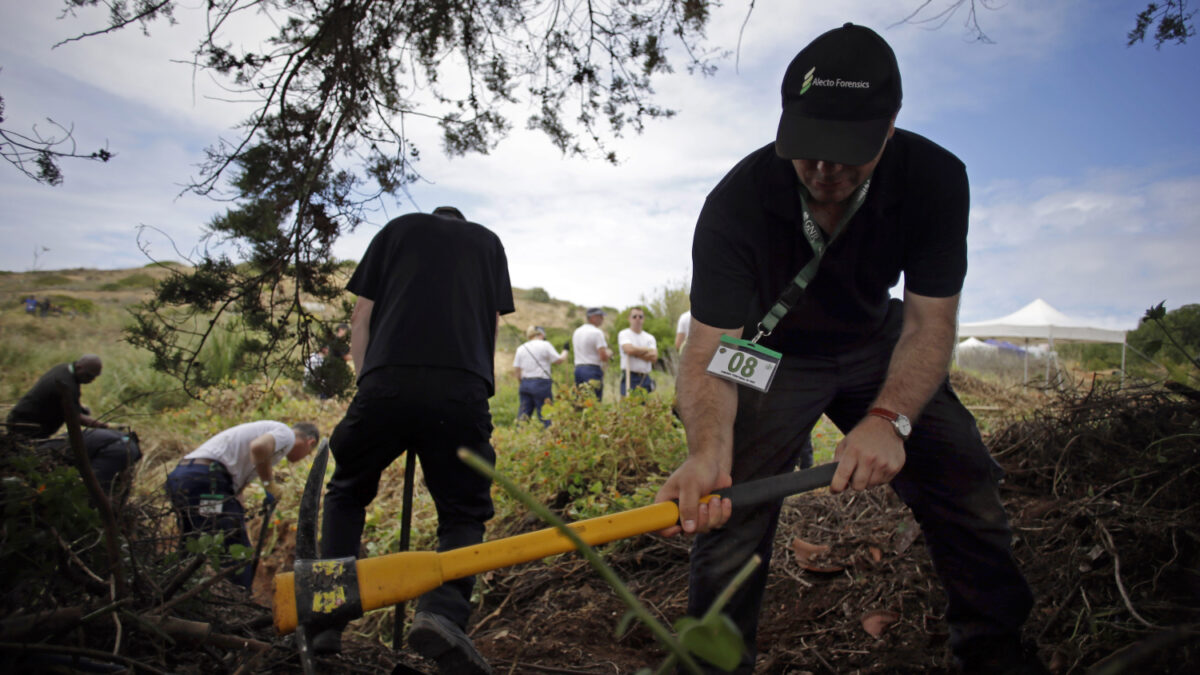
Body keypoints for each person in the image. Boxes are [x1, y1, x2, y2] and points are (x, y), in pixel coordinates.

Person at [654, 24, 1043, 674]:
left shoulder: (935, 179)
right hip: (771, 354)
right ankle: (713, 664)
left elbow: (928, 324)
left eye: (847, 151)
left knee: (966, 481)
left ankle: (996, 653)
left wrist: (890, 418)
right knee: (730, 507)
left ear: (888, 127)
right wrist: (707, 450)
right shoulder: (736, 202)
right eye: (809, 148)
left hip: (879, 343)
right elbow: (710, 350)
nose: (825, 169)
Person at [315, 206, 514, 674]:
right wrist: (476, 386)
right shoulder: (488, 242)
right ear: (461, 221)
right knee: (463, 512)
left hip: (388, 380)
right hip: (461, 387)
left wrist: (368, 382)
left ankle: (328, 617)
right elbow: (491, 326)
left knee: (346, 491)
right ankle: (441, 614)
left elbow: (361, 314)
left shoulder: (399, 229)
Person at [165, 421, 320, 589]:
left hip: (186, 479)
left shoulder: (272, 442)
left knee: (194, 539)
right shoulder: (286, 434)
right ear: (309, 442)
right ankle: (239, 600)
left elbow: (236, 488)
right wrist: (269, 484)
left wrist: (239, 515)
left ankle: (176, 591)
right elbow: (258, 447)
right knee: (235, 550)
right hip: (207, 482)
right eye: (309, 453)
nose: (304, 457)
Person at [5, 355, 140, 494]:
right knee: (27, 463)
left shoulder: (64, 370)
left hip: (28, 424)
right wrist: (105, 425)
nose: (91, 380)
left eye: (94, 377)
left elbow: (68, 404)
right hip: (26, 427)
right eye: (89, 376)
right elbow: (75, 419)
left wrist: (81, 409)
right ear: (79, 367)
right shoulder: (66, 384)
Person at [513, 325, 568, 426]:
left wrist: (523, 383)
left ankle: (518, 436)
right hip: (541, 384)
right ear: (540, 334)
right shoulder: (545, 345)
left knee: (523, 417)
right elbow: (559, 360)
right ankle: (548, 437)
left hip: (525, 384)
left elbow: (517, 372)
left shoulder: (521, 348)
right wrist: (565, 351)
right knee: (546, 415)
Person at [572, 307, 611, 399]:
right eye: (600, 316)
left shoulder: (577, 331)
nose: (602, 319)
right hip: (592, 370)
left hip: (578, 369)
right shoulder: (597, 332)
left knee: (580, 400)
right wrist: (609, 354)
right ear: (593, 317)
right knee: (594, 401)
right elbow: (603, 356)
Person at [617, 307, 658, 396]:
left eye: (640, 317)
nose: (637, 319)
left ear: (644, 319)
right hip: (630, 376)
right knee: (628, 406)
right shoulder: (624, 334)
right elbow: (628, 349)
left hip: (644, 377)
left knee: (644, 407)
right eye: (634, 316)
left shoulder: (649, 337)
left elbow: (654, 357)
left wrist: (635, 353)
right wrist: (646, 349)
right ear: (629, 318)